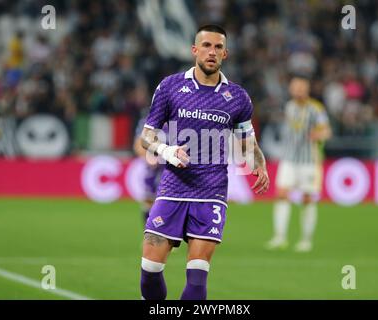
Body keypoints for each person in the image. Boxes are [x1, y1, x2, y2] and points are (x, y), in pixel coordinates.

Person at [139, 24, 269, 300]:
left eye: (218, 47)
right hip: (173, 188)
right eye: (207, 46)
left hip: (211, 192)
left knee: (197, 277)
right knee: (150, 268)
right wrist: (166, 150)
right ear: (194, 50)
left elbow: (248, 141)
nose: (212, 52)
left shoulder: (237, 97)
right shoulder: (170, 86)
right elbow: (146, 137)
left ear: (226, 54)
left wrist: (260, 163)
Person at [266, 76, 331, 252]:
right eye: (295, 88)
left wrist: (319, 135)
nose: (297, 91)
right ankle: (279, 237)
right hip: (289, 159)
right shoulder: (289, 107)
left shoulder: (315, 109)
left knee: (307, 199)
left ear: (306, 89)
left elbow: (326, 130)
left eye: (301, 87)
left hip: (309, 161)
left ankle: (306, 240)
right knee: (281, 194)